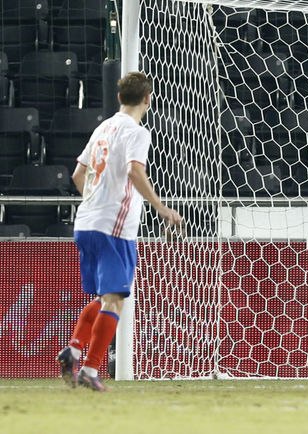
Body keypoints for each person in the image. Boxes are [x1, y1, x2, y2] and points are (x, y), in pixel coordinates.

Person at [56, 72, 183, 391]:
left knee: (107, 298)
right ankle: (90, 370)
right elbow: (134, 171)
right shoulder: (136, 132)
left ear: (118, 97)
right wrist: (161, 208)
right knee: (114, 300)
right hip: (113, 227)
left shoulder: (103, 128)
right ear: (148, 99)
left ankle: (73, 351)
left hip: (86, 223)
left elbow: (78, 174)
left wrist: (96, 202)